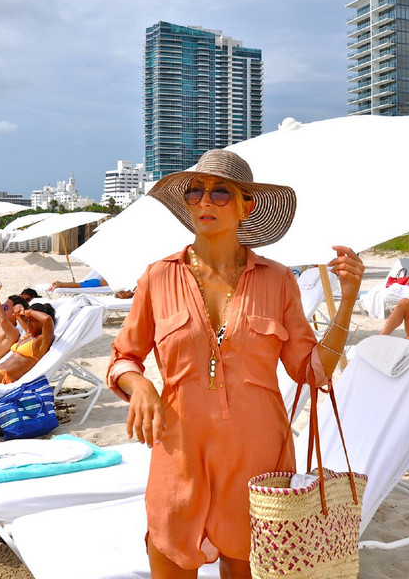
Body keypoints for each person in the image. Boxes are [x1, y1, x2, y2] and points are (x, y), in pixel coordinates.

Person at [107, 149, 363, 578]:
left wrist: (348, 301)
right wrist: (142, 386)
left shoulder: (278, 280)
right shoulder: (157, 277)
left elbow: (311, 371)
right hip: (179, 451)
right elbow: (123, 359)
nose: (205, 201)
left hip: (259, 457)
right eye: (196, 192)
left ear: (247, 206)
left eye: (220, 192)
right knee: (167, 551)